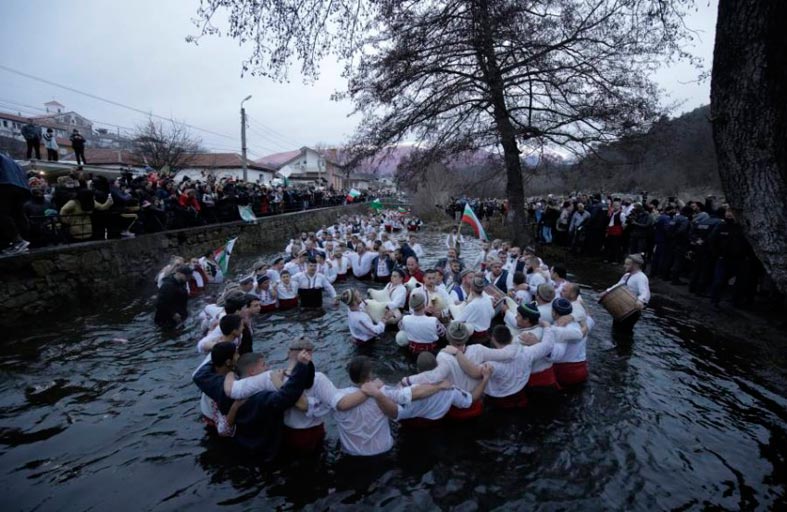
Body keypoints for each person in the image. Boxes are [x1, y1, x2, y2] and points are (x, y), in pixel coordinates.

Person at [446, 325, 555, 409]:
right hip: (521, 394)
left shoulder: (492, 365)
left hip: (500, 400)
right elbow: (548, 345)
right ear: (511, 337)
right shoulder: (526, 352)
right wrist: (546, 326)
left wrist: (457, 353)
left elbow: (473, 372)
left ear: (493, 339)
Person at [599, 253, 650, 332]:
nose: (624, 266)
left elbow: (645, 292)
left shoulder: (641, 277)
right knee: (615, 330)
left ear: (635, 265)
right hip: (621, 308)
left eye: (627, 264)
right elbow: (618, 285)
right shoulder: (627, 275)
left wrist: (640, 300)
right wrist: (606, 291)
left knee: (625, 332)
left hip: (632, 311)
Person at [0, 154, 32, 254]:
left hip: (4, 184)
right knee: (16, 213)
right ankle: (22, 240)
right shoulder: (8, 158)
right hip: (20, 186)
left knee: (2, 213)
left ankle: (17, 241)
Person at [454, 276, 495, 343]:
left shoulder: (472, 305)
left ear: (471, 289)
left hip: (475, 337)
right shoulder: (488, 300)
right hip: (487, 333)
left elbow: (458, 320)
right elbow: (492, 313)